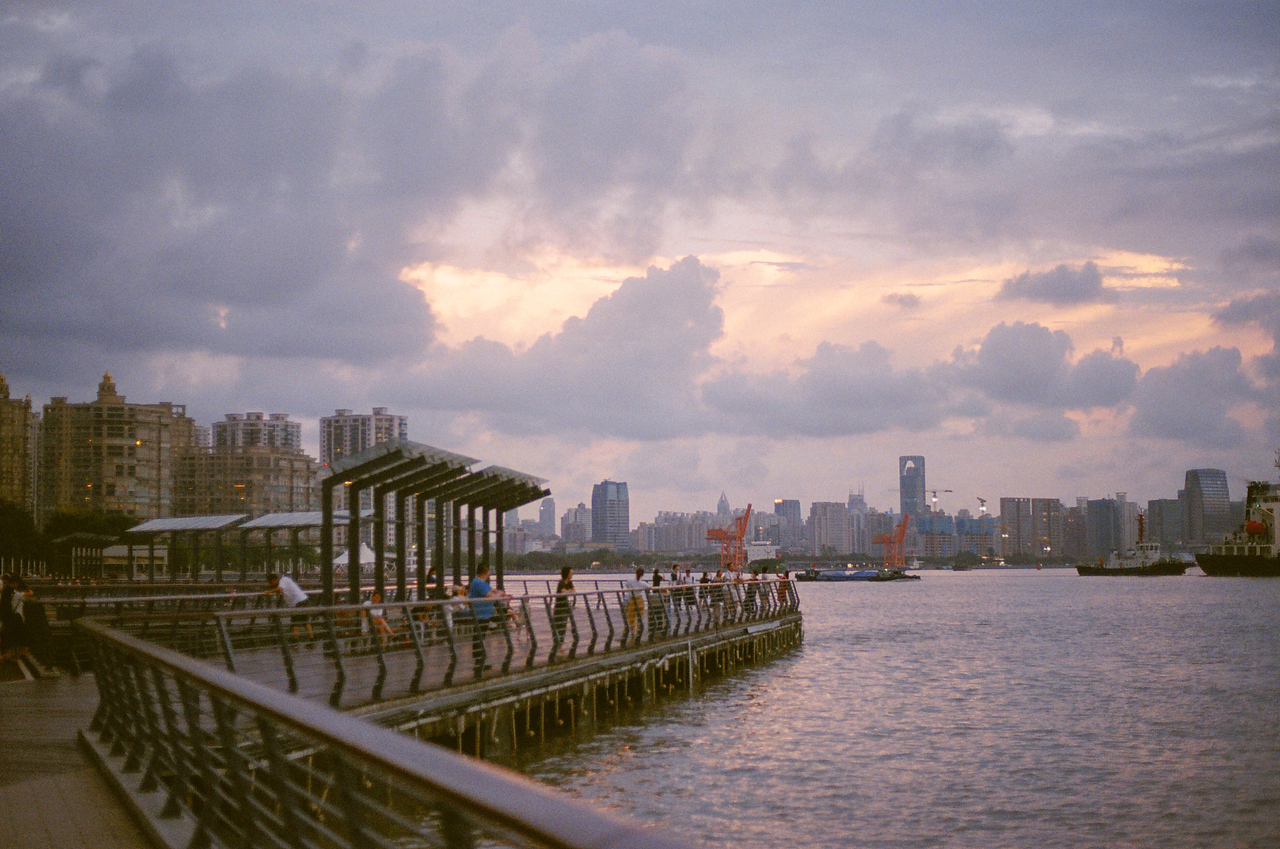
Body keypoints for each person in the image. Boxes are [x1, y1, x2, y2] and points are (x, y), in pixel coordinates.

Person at [469, 561, 498, 677]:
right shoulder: (478, 582)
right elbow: (489, 595)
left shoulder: (481, 582)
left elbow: (491, 591)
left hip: (484, 614)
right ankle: (478, 662)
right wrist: (498, 596)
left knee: (481, 637)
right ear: (486, 572)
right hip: (480, 614)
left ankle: (480, 661)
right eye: (488, 572)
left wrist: (499, 594)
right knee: (479, 637)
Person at [265, 573, 314, 641]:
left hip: (298, 602)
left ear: (274, 580)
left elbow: (279, 589)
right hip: (302, 600)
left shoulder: (282, 580)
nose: (271, 585)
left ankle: (294, 641)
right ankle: (311, 639)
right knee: (305, 622)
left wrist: (269, 592)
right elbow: (281, 591)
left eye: (270, 583)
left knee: (294, 623)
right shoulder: (285, 580)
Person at [551, 566, 575, 657]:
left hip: (566, 607)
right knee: (558, 626)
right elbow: (564, 591)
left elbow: (573, 591)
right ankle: (557, 645)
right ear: (567, 574)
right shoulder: (561, 583)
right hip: (559, 607)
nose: (572, 575)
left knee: (564, 626)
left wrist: (568, 591)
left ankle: (560, 645)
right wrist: (568, 591)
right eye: (571, 573)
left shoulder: (569, 582)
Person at [623, 566, 646, 640]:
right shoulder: (643, 583)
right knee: (640, 617)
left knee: (630, 617)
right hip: (639, 600)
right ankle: (638, 631)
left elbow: (627, 586)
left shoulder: (630, 580)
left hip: (631, 599)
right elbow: (648, 587)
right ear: (642, 575)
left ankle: (631, 631)